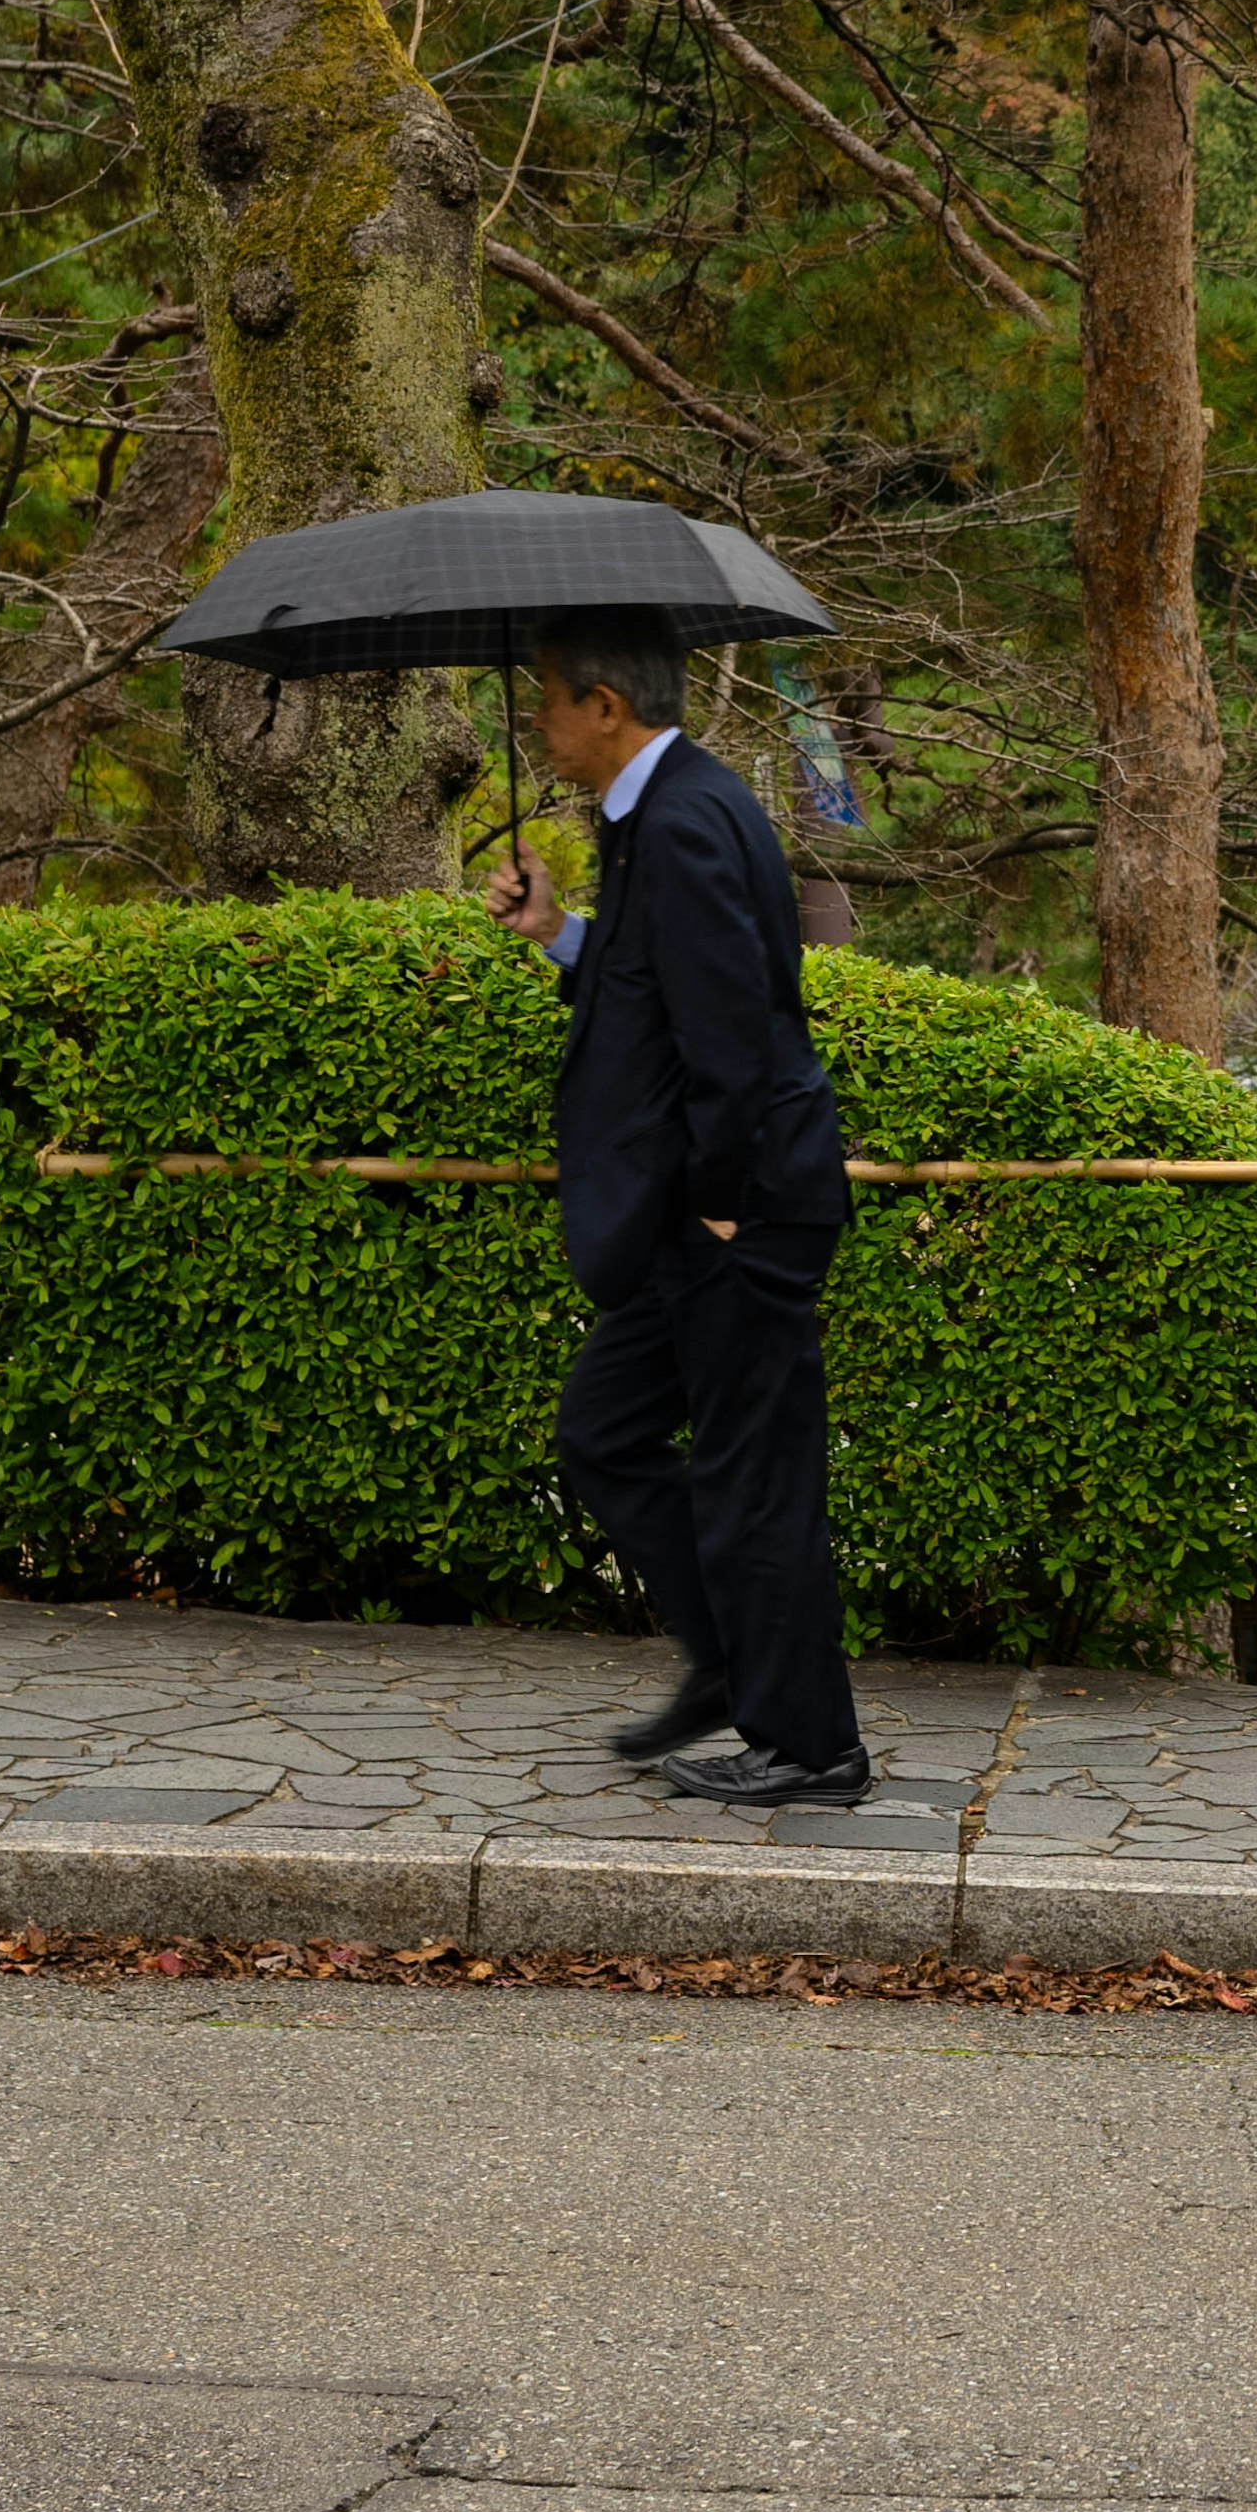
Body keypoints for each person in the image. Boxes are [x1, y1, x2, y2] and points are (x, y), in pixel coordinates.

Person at [487, 620, 867, 1814]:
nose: (535, 722)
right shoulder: (652, 812)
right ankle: (726, 1658)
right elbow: (660, 980)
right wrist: (558, 932)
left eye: (545, 699)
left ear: (604, 704)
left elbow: (734, 1035)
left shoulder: (690, 816)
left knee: (759, 1479)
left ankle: (810, 1746)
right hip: (699, 1208)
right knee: (604, 1429)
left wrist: (714, 1208)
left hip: (735, 1207)